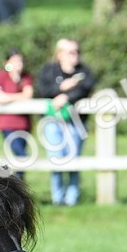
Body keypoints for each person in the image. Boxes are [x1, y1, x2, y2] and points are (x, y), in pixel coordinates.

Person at [36, 39, 96, 207]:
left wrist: (67, 97)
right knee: (56, 160)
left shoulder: (83, 71)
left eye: (77, 52)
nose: (75, 55)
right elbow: (43, 90)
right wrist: (62, 88)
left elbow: (87, 88)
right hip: (52, 121)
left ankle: (72, 199)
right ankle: (57, 198)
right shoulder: (49, 70)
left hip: (75, 123)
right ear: (60, 54)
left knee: (74, 160)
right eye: (71, 52)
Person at [0, 48, 35, 171]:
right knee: (21, 155)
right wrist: (19, 96)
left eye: (20, 61)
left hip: (24, 124)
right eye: (15, 61)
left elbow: (28, 95)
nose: (18, 64)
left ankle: (20, 184)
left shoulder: (26, 77)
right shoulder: (1, 76)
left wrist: (7, 97)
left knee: (20, 156)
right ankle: (18, 184)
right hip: (7, 124)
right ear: (7, 62)